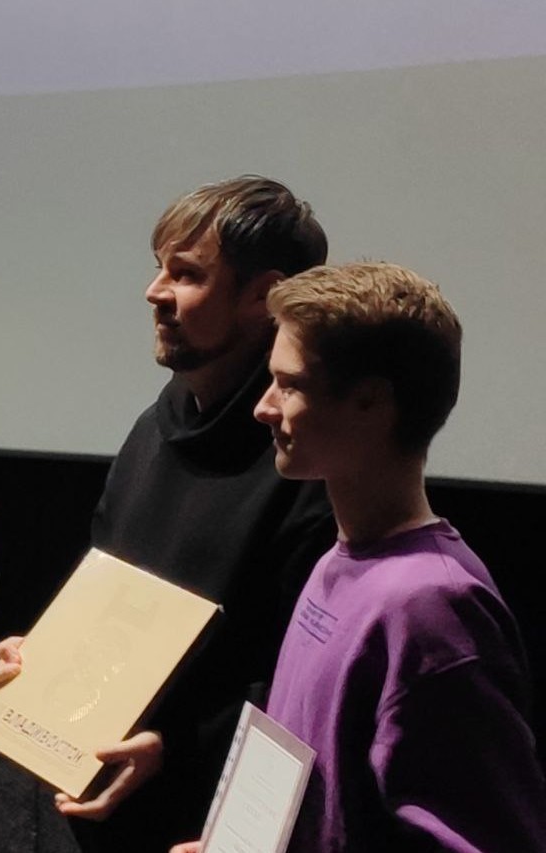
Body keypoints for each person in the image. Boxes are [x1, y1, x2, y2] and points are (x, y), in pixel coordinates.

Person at [0, 176, 337, 851]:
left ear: (264, 296)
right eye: (159, 269)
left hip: (209, 819)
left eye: (187, 274)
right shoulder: (155, 426)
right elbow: (110, 597)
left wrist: (176, 744)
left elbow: (304, 678)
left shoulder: (305, 461)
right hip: (94, 799)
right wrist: (47, 659)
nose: (155, 292)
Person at [171, 262, 546, 851]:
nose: (263, 407)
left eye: (290, 384)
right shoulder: (338, 561)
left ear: (371, 401)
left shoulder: (431, 606)